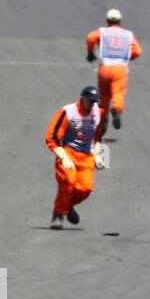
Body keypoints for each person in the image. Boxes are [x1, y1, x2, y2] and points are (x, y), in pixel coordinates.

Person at [44, 86, 106, 230]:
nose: (92, 105)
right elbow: (51, 137)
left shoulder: (98, 113)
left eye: (95, 102)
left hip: (87, 156)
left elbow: (98, 137)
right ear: (82, 99)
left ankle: (68, 205)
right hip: (68, 153)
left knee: (86, 188)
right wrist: (64, 158)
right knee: (68, 181)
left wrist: (99, 156)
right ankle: (58, 215)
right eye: (90, 101)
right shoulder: (68, 112)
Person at [86, 8, 143, 131]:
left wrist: (90, 53)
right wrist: (129, 57)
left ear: (107, 20)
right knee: (118, 92)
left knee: (104, 95)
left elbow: (90, 38)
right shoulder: (128, 34)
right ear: (120, 20)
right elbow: (137, 51)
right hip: (120, 68)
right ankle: (116, 109)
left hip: (104, 68)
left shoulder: (103, 32)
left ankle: (103, 118)